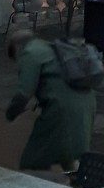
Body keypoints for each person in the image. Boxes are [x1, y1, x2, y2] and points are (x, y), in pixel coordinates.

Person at [5, 26, 95, 177]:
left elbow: (24, 93)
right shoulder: (50, 47)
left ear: (17, 48)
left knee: (32, 161)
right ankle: (78, 181)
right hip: (86, 104)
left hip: (61, 109)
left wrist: (11, 113)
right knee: (69, 153)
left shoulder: (30, 53)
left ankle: (45, 187)